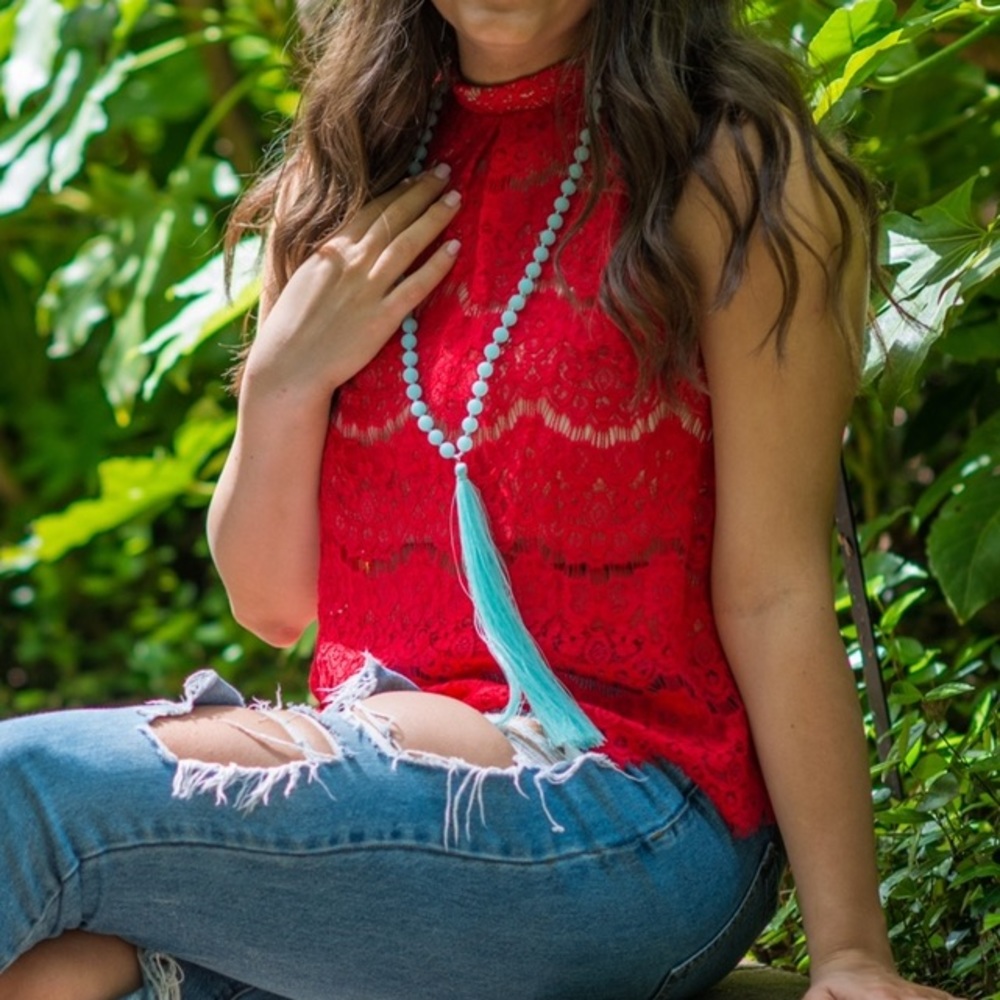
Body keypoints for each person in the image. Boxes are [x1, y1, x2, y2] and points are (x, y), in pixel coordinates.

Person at [0, 2, 963, 999]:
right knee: (50, 976)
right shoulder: (352, 170)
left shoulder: (729, 165)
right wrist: (281, 383)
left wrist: (851, 953)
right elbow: (273, 600)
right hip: (379, 805)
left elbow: (774, 590)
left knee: (21, 788)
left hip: (637, 822)